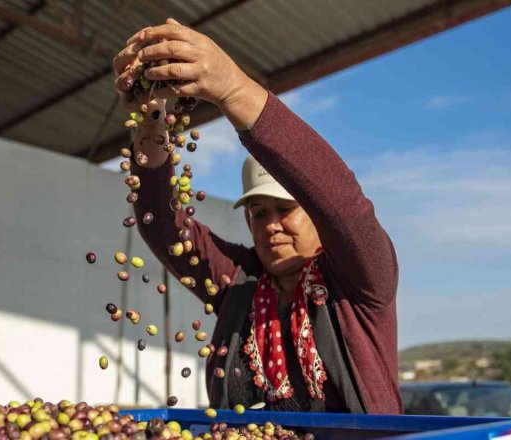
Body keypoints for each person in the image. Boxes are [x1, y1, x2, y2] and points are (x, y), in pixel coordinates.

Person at [113, 19, 401, 414]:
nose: (270, 225)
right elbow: (162, 226)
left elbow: (343, 203)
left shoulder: (360, 281)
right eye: (258, 212)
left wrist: (233, 89)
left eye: (286, 210)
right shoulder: (239, 282)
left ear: (316, 214)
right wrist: (150, 123)